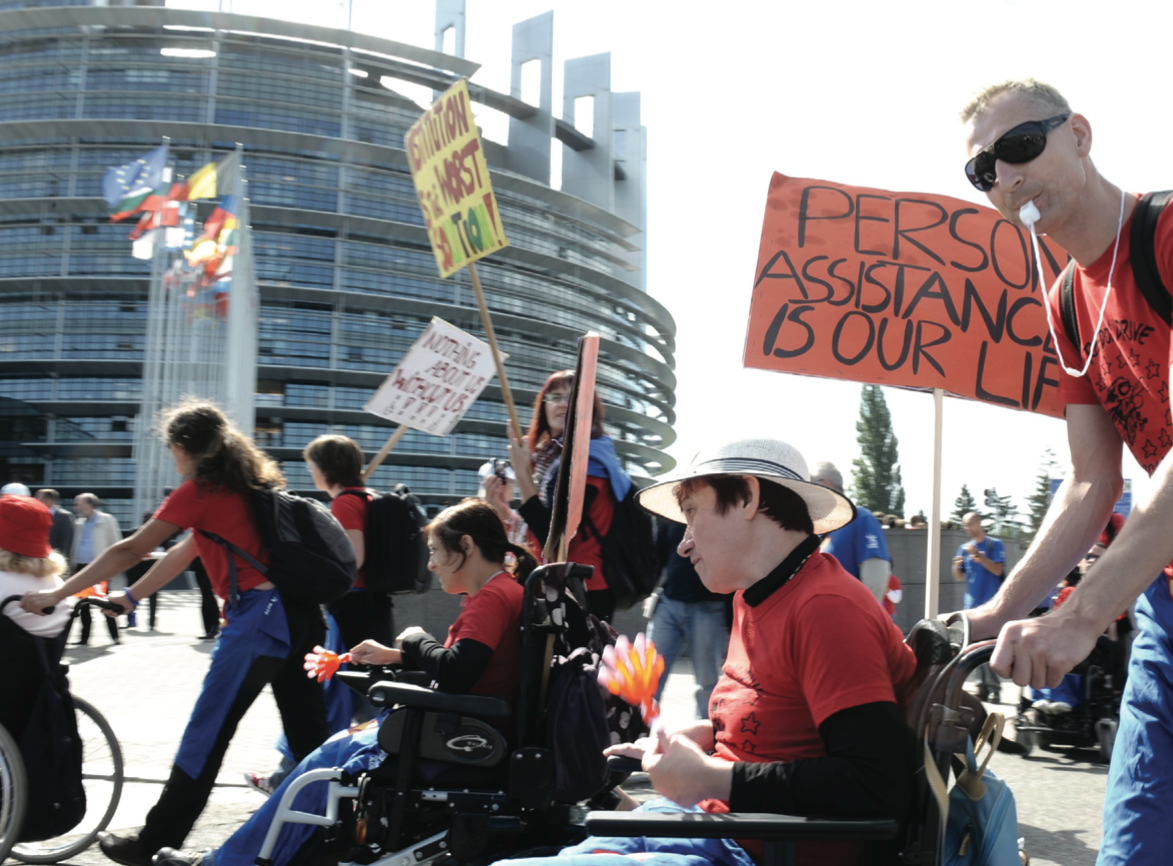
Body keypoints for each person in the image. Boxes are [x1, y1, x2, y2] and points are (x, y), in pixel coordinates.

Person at [495, 437, 917, 866]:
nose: (683, 543)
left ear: (748, 498)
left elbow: (876, 784)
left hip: (756, 848)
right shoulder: (753, 596)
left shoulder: (827, 608)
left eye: (692, 513)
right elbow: (788, 727)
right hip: (715, 828)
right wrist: (709, 735)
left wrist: (710, 777)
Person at [959, 79, 1173, 866]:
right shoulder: (1065, 304)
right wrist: (1000, 614)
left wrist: (1080, 616)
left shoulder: (1166, 233)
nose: (1006, 179)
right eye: (982, 172)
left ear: (1078, 135)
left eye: (1019, 148)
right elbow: (1091, 482)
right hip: (1165, 610)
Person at [20, 400, 330, 866]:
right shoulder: (248, 486)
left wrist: (55, 593)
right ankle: (333, 833)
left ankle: (154, 841)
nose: (173, 458)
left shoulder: (201, 490)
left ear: (184, 447)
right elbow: (185, 552)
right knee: (310, 734)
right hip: (302, 615)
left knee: (207, 731)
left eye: (172, 450)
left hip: (260, 622)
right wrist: (133, 597)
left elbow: (130, 549)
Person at [151, 498, 538, 866]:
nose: (432, 565)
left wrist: (418, 638)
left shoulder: (490, 598)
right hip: (464, 731)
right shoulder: (505, 591)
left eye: (436, 551)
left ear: (466, 546)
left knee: (319, 766)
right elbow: (473, 665)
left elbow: (457, 672)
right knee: (330, 752)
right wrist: (394, 655)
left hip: (456, 739)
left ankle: (228, 861)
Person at [242, 434, 393, 797]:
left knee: (327, 696)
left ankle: (289, 779)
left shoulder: (345, 504)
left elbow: (352, 558)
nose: (311, 473)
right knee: (357, 697)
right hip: (372, 607)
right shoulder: (368, 498)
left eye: (313, 466)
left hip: (350, 609)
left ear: (326, 468)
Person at [490, 370, 632, 622]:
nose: (562, 404)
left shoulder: (590, 462)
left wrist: (523, 475)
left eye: (572, 398)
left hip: (582, 589)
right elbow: (539, 527)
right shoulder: (550, 457)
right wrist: (504, 511)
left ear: (588, 409)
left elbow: (555, 539)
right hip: (553, 580)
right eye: (554, 397)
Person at [645, 519, 728, 720]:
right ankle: (637, 729)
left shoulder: (721, 516)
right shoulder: (670, 514)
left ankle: (706, 739)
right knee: (649, 676)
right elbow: (658, 553)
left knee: (707, 681)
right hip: (669, 600)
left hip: (709, 604)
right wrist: (649, 590)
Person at [810, 462, 891, 604]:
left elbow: (875, 581)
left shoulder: (860, 518)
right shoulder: (819, 529)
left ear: (825, 483)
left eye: (809, 484)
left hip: (853, 621)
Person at [952, 512, 1006, 702]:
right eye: (965, 525)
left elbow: (998, 570)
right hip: (971, 606)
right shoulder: (963, 548)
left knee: (990, 649)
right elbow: (959, 577)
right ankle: (982, 687)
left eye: (970, 524)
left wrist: (979, 556)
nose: (967, 528)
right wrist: (957, 567)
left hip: (991, 605)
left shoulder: (994, 545)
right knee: (974, 650)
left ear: (979, 523)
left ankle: (994, 689)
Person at [69, 493, 124, 646]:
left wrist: (114, 566)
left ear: (90, 504)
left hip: (100, 568)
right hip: (81, 568)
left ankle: (115, 636)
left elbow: (116, 543)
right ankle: (84, 638)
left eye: (79, 504)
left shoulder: (106, 520)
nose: (76, 507)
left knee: (105, 602)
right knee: (83, 604)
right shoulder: (79, 523)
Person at [35, 488, 74, 562]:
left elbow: (67, 541)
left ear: (49, 500)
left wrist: (63, 560)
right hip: (39, 558)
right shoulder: (37, 515)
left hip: (55, 559)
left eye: (39, 499)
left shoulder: (64, 516)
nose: (36, 502)